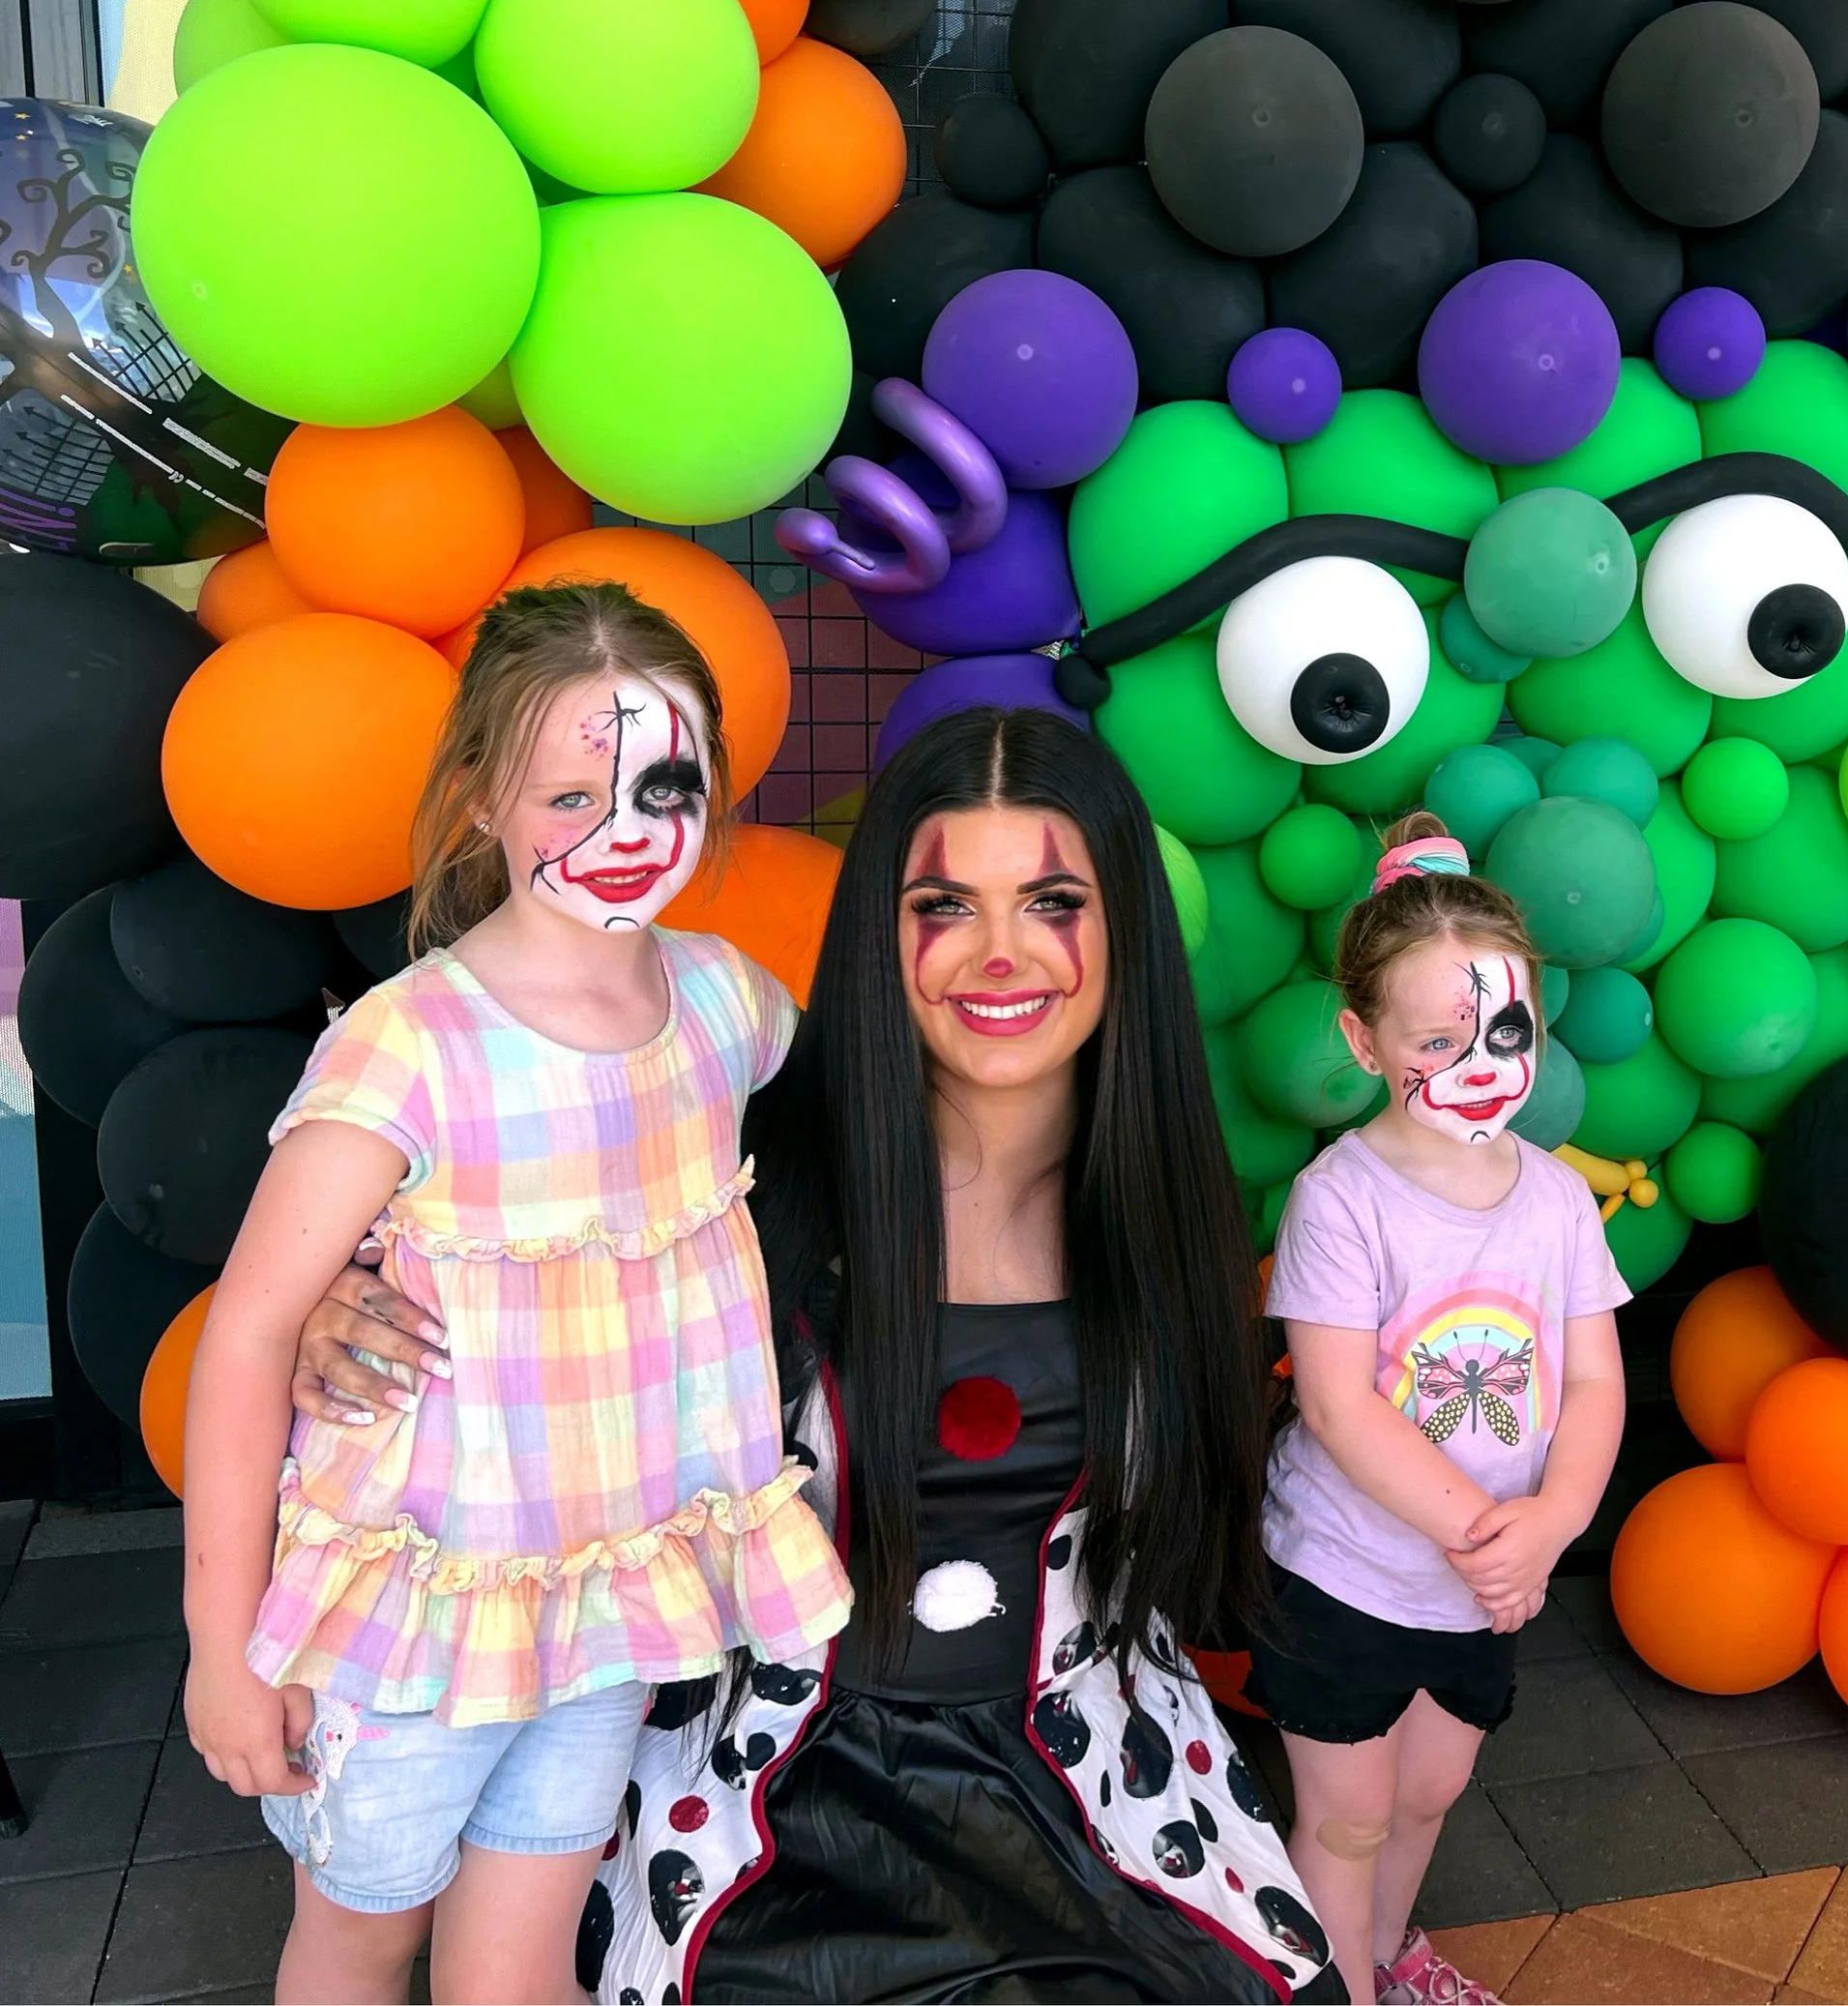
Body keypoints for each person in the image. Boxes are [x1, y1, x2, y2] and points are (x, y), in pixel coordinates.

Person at [291, 706, 1345, 2004]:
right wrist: (337, 1298)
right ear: (876, 933)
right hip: (763, 1791)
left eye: (1055, 900)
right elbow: (486, 1251)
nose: (1000, 954)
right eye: (943, 905)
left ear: (1121, 922)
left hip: (1089, 1785)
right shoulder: (731, 1159)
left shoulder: (1171, 1216)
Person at [182, 582, 851, 2006]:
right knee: (361, 1938)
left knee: (522, 1957)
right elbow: (248, 1329)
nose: (625, 830)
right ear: (483, 798)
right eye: (570, 792)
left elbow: (872, 1120)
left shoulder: (730, 1003)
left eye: (665, 784)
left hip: (606, 1597)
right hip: (419, 1611)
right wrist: (217, 1648)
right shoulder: (410, 1042)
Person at [1247, 813, 1628, 2006]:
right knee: (1349, 1817)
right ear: (1364, 1042)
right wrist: (1493, 1535)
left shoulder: (1559, 1200)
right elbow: (1339, 1407)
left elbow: (1598, 1380)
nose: (1479, 1061)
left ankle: (1385, 1957)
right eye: (1439, 1038)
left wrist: (1552, 1522)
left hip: (1489, 1584)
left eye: (1503, 1030)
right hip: (1348, 1580)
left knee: (1427, 1794)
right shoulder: (1338, 1201)